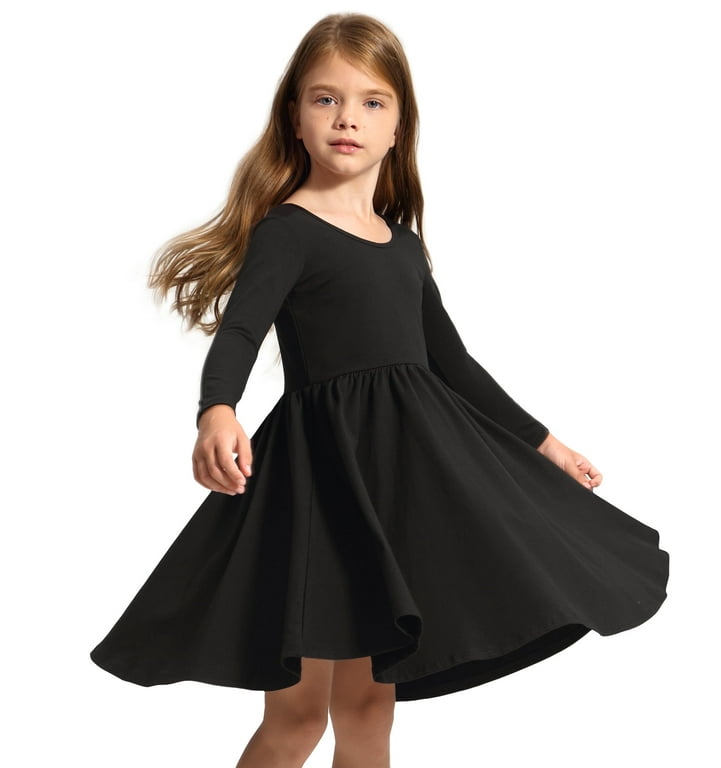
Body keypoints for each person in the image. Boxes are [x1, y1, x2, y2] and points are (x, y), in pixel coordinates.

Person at [89, 12, 670, 768]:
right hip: (319, 495)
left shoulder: (402, 247)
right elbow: (241, 332)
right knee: (297, 719)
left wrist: (546, 444)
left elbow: (454, 366)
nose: (347, 119)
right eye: (325, 99)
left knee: (369, 713)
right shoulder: (288, 232)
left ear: (399, 127)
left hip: (394, 494)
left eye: (371, 102)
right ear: (294, 116)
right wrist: (217, 408)